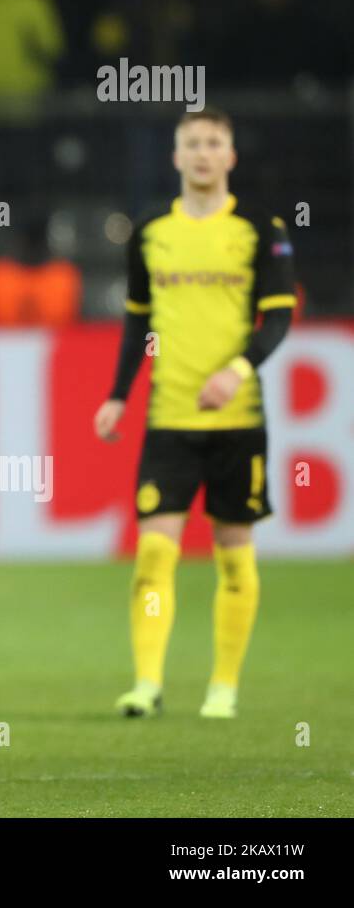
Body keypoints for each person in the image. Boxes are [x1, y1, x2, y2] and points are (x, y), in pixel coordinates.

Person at [95, 108, 296, 719]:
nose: (204, 154)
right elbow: (138, 321)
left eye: (215, 144)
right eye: (193, 144)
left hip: (238, 421)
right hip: (170, 420)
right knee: (155, 553)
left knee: (234, 554)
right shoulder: (152, 229)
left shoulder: (261, 227)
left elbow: (280, 316)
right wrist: (117, 394)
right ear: (176, 157)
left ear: (231, 157)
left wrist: (236, 371)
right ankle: (148, 683)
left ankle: (223, 687)